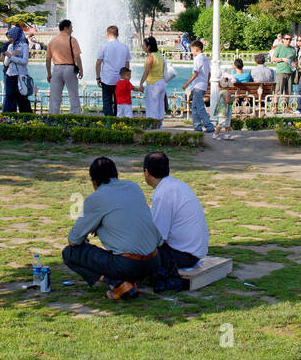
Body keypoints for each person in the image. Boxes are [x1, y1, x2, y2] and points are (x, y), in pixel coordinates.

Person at [62, 157, 162, 300]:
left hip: (128, 265)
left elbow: (73, 240)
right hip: (154, 261)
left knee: (70, 253)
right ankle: (127, 281)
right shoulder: (134, 187)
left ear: (93, 181)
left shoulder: (96, 198)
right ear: (116, 174)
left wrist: (95, 227)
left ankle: (117, 283)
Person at [142, 152, 209, 273]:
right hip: (195, 252)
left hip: (184, 256)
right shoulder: (177, 185)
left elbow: (158, 238)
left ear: (146, 172)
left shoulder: (162, 194)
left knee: (132, 255)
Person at [46, 19, 83, 114]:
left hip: (57, 68)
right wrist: (81, 69)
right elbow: (77, 57)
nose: (72, 30)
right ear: (66, 28)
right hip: (69, 68)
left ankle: (53, 118)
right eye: (71, 28)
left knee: (55, 96)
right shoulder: (72, 40)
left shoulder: (52, 41)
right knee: (73, 95)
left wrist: (49, 73)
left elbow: (48, 59)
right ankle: (75, 117)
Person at [95, 25, 131, 118]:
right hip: (120, 79)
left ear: (107, 34)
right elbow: (127, 65)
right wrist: (127, 79)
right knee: (118, 102)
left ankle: (109, 121)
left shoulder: (104, 46)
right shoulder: (125, 47)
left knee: (107, 101)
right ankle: (117, 121)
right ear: (117, 34)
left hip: (107, 79)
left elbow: (98, 63)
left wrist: (98, 77)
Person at [183, 39, 213, 133]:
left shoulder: (197, 59)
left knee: (199, 107)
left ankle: (209, 126)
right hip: (202, 85)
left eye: (192, 50)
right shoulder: (205, 59)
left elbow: (195, 73)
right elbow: (209, 74)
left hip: (198, 86)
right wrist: (206, 83)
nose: (191, 52)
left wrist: (187, 83)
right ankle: (197, 126)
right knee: (195, 107)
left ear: (196, 49)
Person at [1, 24, 32, 114]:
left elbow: (24, 62)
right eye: (9, 38)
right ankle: (8, 116)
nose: (10, 40)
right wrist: (10, 56)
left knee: (22, 96)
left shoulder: (24, 46)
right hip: (10, 74)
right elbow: (6, 63)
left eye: (11, 37)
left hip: (21, 75)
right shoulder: (10, 46)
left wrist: (12, 57)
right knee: (9, 96)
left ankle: (26, 116)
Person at [138, 36, 167, 125]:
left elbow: (146, 72)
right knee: (160, 107)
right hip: (161, 83)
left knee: (152, 107)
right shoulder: (160, 56)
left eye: (144, 45)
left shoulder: (150, 57)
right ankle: (159, 126)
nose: (143, 47)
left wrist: (141, 83)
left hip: (153, 84)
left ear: (149, 46)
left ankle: (152, 126)